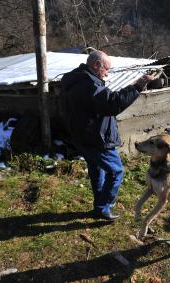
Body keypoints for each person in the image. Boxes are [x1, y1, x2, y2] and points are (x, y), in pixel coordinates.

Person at [60, 50, 153, 221]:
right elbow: (112, 104)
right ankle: (104, 208)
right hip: (96, 138)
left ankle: (99, 205)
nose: (107, 73)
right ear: (96, 65)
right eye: (106, 69)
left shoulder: (73, 79)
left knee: (97, 170)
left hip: (81, 136)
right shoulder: (90, 84)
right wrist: (138, 85)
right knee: (116, 171)